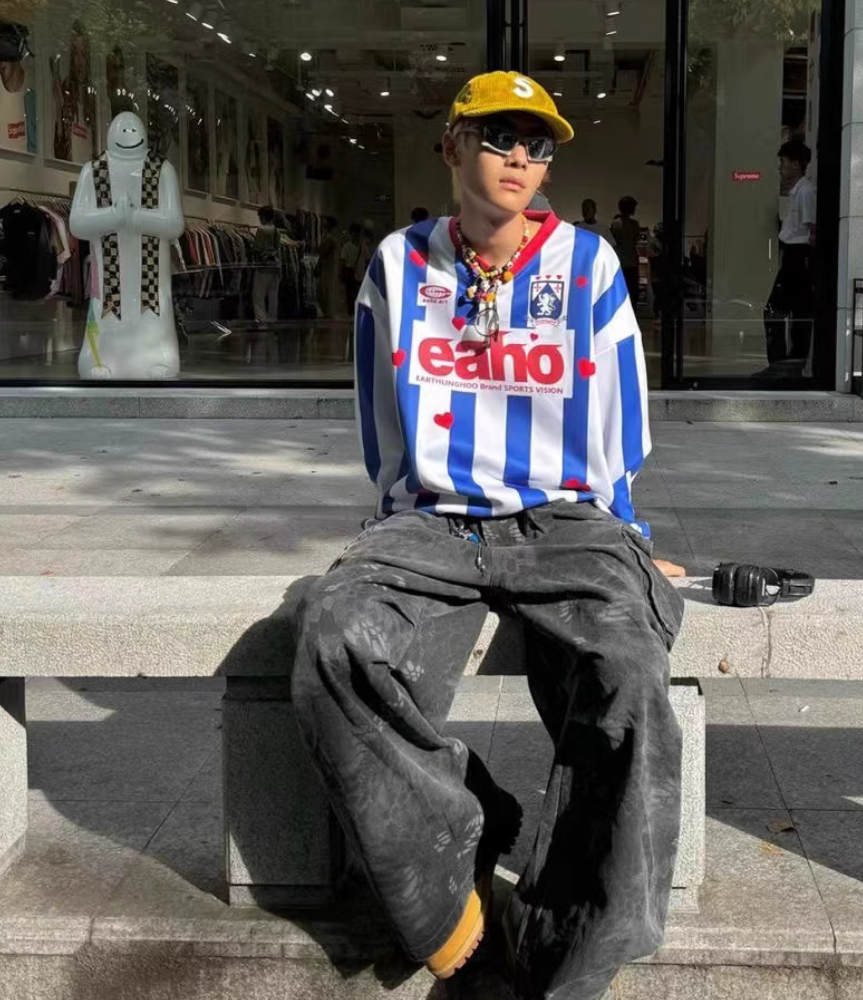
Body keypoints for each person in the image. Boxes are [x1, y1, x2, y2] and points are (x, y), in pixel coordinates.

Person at [290, 70, 687, 1000]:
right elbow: (379, 409)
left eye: (538, 143)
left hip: (564, 518)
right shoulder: (398, 263)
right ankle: (462, 868)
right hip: (433, 517)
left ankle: (569, 955)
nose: (521, 158)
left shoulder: (587, 262)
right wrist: (390, 523)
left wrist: (624, 530)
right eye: (500, 137)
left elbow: (617, 407)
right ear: (452, 147)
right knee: (332, 631)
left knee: (631, 666)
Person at [761, 138, 816, 376]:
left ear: (796, 163)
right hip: (794, 255)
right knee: (790, 312)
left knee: (777, 310)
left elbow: (812, 231)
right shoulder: (799, 191)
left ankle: (786, 365)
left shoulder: (806, 191)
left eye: (783, 162)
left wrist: (806, 264)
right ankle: (785, 364)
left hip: (799, 257)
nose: (780, 167)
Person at [251, 205, 282, 326]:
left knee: (258, 295)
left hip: (264, 267)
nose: (259, 219)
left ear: (263, 217)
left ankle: (261, 320)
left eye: (260, 217)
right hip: (275, 266)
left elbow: (257, 248)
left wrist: (251, 250)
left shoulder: (261, 230)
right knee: (273, 295)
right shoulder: (276, 231)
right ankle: (272, 319)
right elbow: (278, 249)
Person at [610, 195, 641, 306]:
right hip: (631, 262)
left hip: (620, 261)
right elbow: (635, 241)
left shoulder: (615, 224)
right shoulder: (634, 224)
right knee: (633, 292)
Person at [339, 222, 362, 317]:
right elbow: (342, 261)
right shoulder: (346, 247)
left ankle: (356, 311)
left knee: (358, 292)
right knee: (349, 293)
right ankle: (351, 312)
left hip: (359, 271)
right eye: (354, 233)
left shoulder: (362, 246)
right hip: (349, 271)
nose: (356, 235)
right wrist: (341, 273)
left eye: (358, 233)